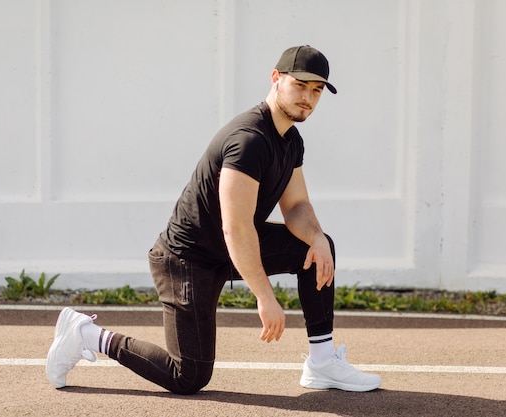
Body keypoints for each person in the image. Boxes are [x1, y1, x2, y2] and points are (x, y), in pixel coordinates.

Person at [46, 45, 382, 394]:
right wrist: (264, 296)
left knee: (316, 248)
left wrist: (317, 237)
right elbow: (235, 227)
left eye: (317, 91)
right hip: (187, 259)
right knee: (188, 377)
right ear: (276, 79)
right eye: (300, 85)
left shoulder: (290, 140)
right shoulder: (249, 140)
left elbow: (296, 205)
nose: (308, 98)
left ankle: (323, 362)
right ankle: (86, 334)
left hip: (226, 250)